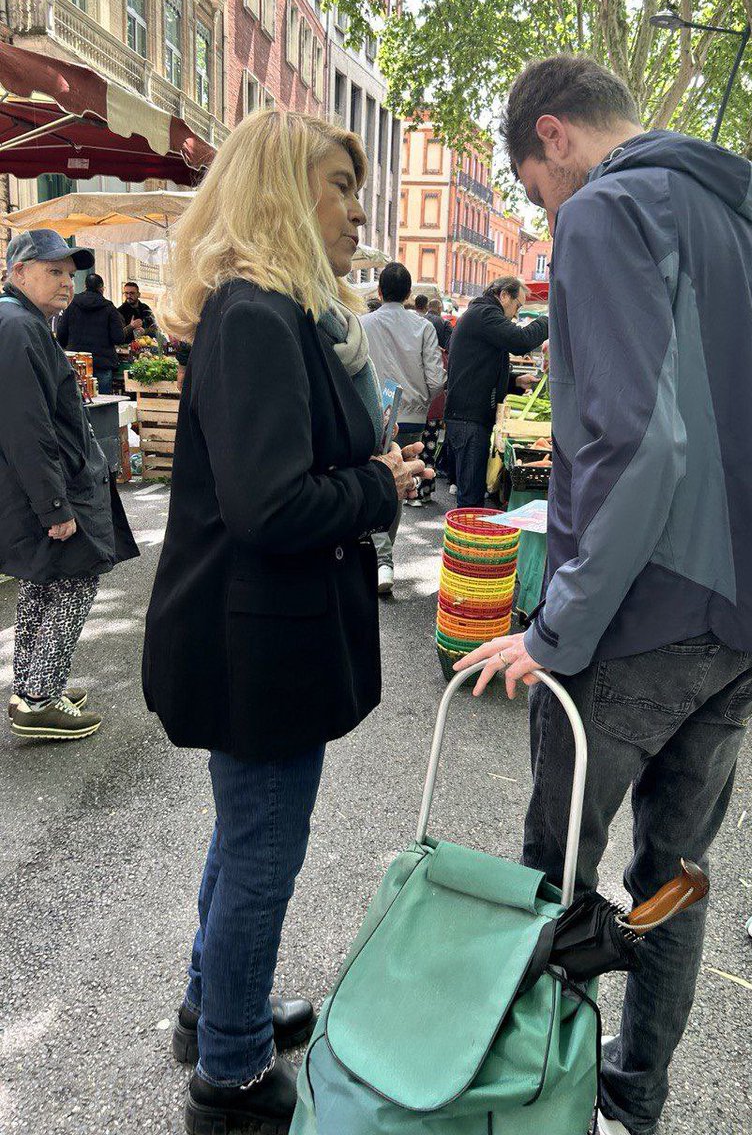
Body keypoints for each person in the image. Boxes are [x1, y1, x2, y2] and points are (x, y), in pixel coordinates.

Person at [455, 56, 752, 1135]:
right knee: (675, 874)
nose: (545, 214)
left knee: (555, 878)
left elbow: (640, 439)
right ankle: (635, 1099)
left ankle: (546, 1100)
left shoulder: (604, 213)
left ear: (552, 138)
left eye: (536, 193)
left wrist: (558, 623)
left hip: (641, 613)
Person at [141, 109, 429, 1135]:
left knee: (245, 836)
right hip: (255, 638)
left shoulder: (273, 309)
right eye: (339, 186)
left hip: (262, 628)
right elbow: (271, 508)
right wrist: (378, 485)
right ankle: (230, 1075)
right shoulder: (258, 312)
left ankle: (212, 1006)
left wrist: (365, 476)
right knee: (264, 851)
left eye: (358, 187)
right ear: (278, 193)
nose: (359, 208)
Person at [0, 231, 139, 740]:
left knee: (46, 584)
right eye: (53, 271)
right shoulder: (16, 326)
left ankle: (36, 685)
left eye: (69, 272)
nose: (66, 282)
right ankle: (38, 699)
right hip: (49, 490)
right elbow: (25, 427)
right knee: (71, 584)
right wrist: (55, 506)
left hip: (45, 487)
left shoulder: (21, 322)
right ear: (19, 271)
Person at [361, 261, 445, 593]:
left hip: (372, 416)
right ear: (410, 294)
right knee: (396, 487)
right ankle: (383, 559)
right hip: (411, 417)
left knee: (376, 479)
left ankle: (379, 559)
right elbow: (437, 379)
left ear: (379, 291)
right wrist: (421, 399)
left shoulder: (362, 323)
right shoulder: (423, 328)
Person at [444, 277, 548, 508]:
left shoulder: (480, 316)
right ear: (503, 296)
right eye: (517, 306)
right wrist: (550, 320)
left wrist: (514, 381)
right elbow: (521, 340)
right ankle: (467, 543)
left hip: (468, 418)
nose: (515, 314)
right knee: (470, 500)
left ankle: (467, 541)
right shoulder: (485, 315)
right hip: (469, 420)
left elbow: (481, 369)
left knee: (471, 495)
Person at [57, 272, 131, 395]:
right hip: (102, 363)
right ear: (101, 288)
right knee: (103, 403)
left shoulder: (71, 304)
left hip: (78, 363)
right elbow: (118, 337)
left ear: (85, 286)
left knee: (78, 400)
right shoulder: (109, 307)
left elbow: (61, 335)